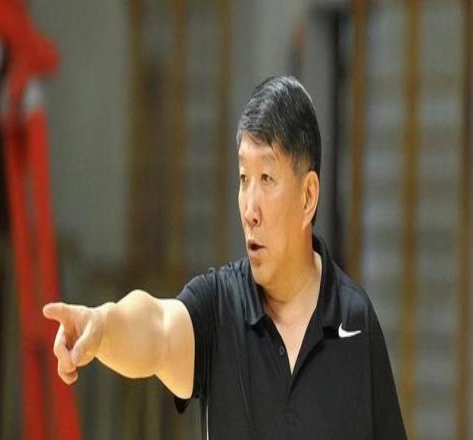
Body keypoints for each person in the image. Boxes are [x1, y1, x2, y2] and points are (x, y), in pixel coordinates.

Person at [43, 76, 407, 439]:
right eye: (244, 178)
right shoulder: (218, 308)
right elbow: (157, 328)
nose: (250, 210)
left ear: (308, 196)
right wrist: (103, 327)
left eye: (266, 178)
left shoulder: (355, 320)